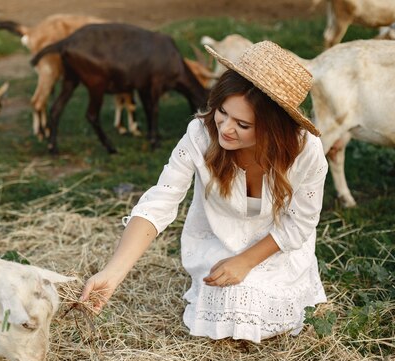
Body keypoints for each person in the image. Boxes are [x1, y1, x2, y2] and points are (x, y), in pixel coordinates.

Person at [79, 41, 329, 343]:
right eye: (222, 112)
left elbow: (300, 224)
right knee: (229, 303)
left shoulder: (306, 152)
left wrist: (246, 261)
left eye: (243, 124)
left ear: (274, 128)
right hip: (219, 240)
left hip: (275, 245)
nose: (225, 128)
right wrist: (113, 273)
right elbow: (160, 201)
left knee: (259, 313)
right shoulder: (201, 135)